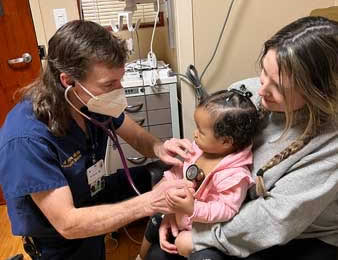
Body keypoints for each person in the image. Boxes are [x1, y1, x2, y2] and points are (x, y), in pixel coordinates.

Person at [145, 16, 338, 260]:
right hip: (232, 210)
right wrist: (176, 209)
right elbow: (207, 152)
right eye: (263, 72)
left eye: (277, 86)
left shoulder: (329, 145)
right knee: (157, 248)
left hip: (300, 235)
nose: (261, 89)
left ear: (317, 93)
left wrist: (198, 236)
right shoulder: (247, 96)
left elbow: (274, 218)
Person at [0, 20, 195, 260]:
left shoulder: (90, 101)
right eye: (110, 84)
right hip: (60, 241)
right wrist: (149, 203)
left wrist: (159, 146)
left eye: (119, 79)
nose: (119, 90)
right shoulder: (26, 139)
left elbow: (134, 134)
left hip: (92, 194)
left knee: (158, 172)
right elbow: (68, 223)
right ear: (68, 81)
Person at [136, 88, 259, 260]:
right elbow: (179, 171)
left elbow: (227, 209)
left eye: (201, 132)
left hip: (202, 232)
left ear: (225, 141)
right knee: (155, 220)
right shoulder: (197, 149)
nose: (195, 134)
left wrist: (193, 209)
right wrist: (166, 184)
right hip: (180, 217)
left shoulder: (235, 175)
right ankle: (140, 256)